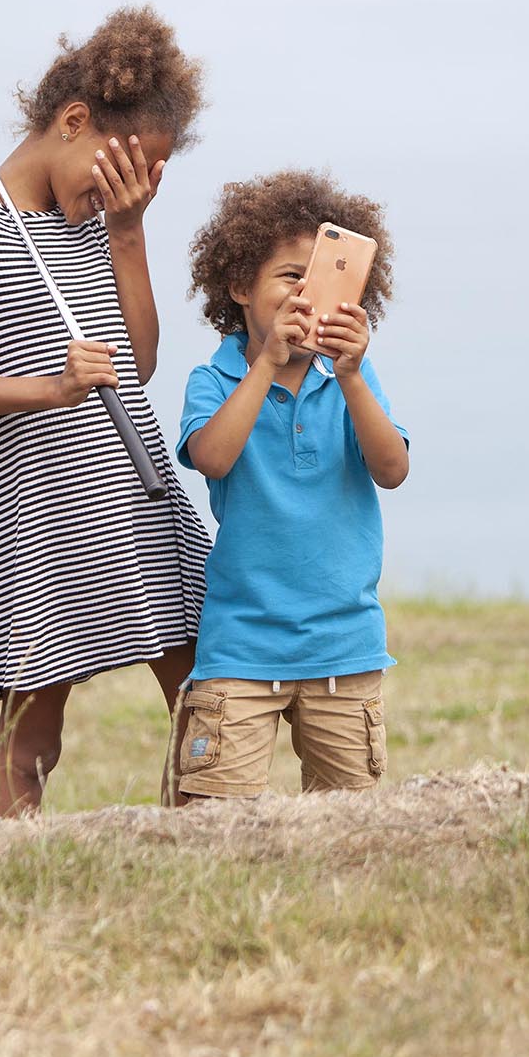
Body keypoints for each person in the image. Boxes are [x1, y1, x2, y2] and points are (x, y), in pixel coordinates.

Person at [0, 6, 211, 816]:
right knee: (35, 719)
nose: (134, 185)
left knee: (202, 686)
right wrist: (50, 390)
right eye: (130, 167)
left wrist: (130, 230)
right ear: (75, 122)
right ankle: (4, 859)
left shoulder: (97, 226)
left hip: (132, 492)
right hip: (38, 513)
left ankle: (201, 842)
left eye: (151, 175)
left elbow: (139, 364)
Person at [170, 171, 408, 801]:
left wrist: (352, 376)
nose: (305, 292)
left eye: (321, 277)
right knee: (210, 825)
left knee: (353, 829)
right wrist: (269, 361)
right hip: (241, 650)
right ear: (239, 286)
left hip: (345, 648)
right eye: (287, 276)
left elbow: (392, 469)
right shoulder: (214, 379)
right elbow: (213, 458)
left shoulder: (351, 378)